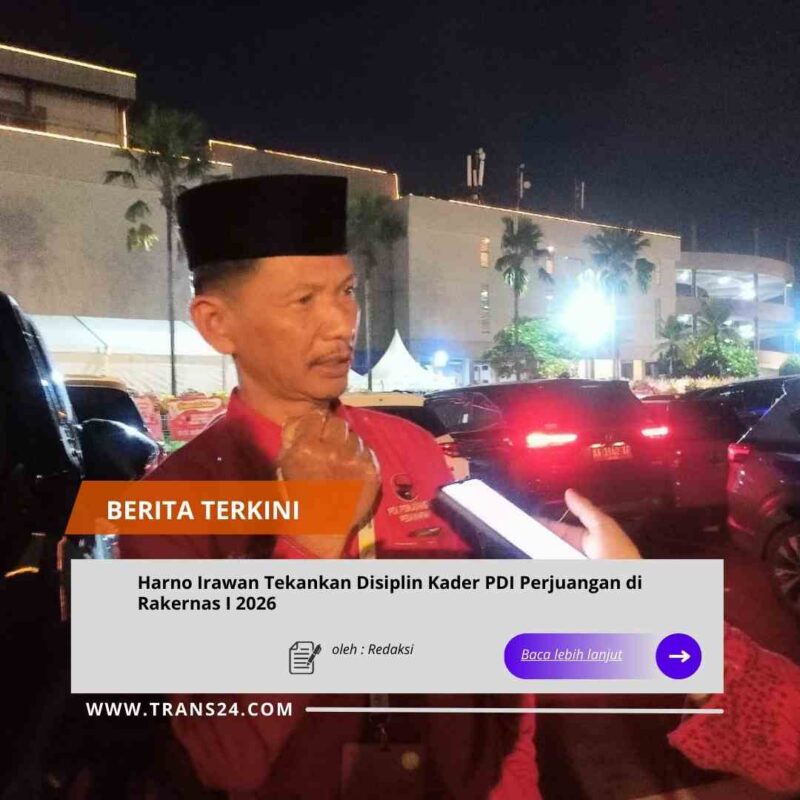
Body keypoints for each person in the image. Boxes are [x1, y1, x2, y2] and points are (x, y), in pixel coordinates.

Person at [121, 174, 800, 798]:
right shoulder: (166, 508)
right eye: (303, 299)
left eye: (346, 291)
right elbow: (229, 760)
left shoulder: (409, 447)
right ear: (217, 324)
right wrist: (309, 544)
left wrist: (608, 606)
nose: (341, 322)